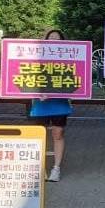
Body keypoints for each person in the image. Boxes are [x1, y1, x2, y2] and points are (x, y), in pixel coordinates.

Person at [30, 30, 72, 183]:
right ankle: (38, 169)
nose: (53, 40)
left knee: (58, 134)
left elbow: (74, 82)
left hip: (59, 104)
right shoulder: (36, 59)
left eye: (57, 38)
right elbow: (27, 79)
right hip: (40, 104)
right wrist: (37, 93)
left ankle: (56, 168)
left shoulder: (68, 60)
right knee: (38, 136)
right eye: (51, 38)